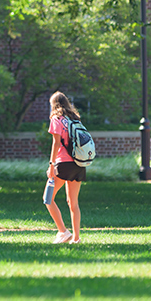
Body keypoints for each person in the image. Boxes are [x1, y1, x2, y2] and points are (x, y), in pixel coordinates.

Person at [45, 91, 86, 244]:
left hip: (63, 164)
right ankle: (76, 238)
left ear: (53, 105)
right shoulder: (74, 119)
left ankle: (63, 231)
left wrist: (51, 164)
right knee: (73, 203)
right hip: (79, 163)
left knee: (47, 198)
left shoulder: (56, 119)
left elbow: (56, 143)